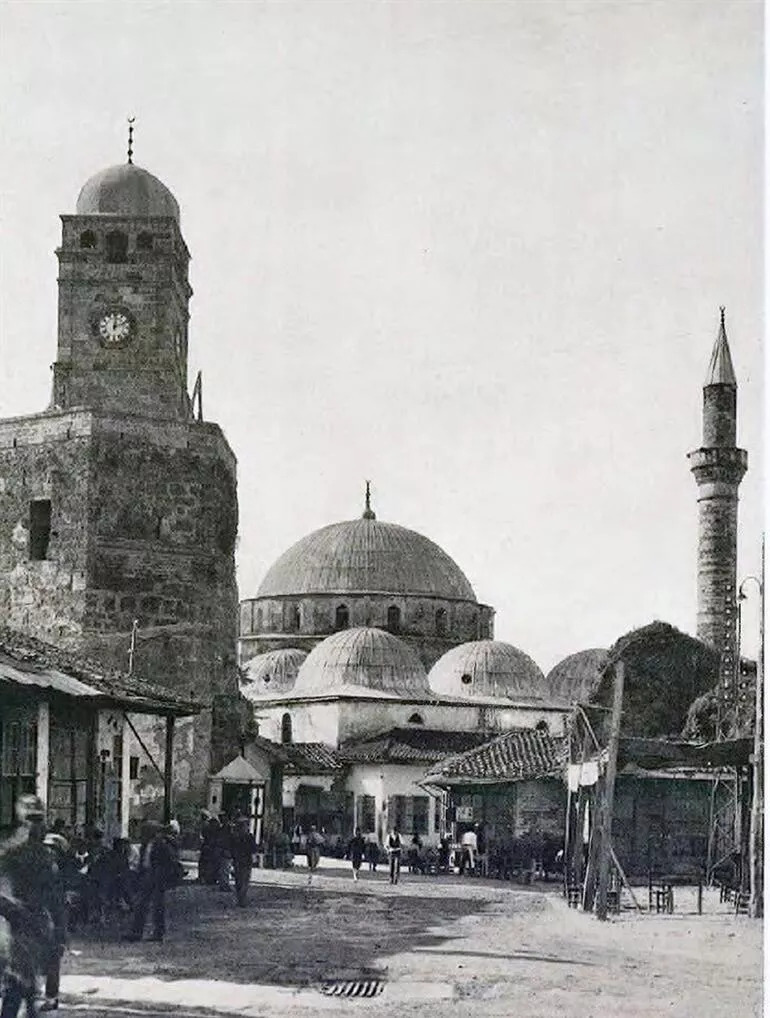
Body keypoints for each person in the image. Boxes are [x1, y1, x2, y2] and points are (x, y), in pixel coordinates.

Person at [0, 795, 64, 1017]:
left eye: (40, 822)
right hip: (21, 928)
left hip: (34, 926)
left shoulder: (43, 857)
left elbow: (55, 898)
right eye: (33, 822)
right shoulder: (12, 856)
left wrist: (60, 930)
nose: (39, 827)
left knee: (24, 985)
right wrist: (14, 911)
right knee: (21, 984)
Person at [125, 820, 176, 943]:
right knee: (140, 904)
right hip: (147, 875)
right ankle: (136, 932)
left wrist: (162, 876)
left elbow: (169, 862)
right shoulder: (145, 844)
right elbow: (143, 861)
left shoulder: (161, 845)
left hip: (157, 877)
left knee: (158, 906)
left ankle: (158, 932)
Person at [230, 817, 257, 907]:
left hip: (243, 861)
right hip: (241, 861)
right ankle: (241, 898)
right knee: (241, 880)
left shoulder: (239, 837)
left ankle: (241, 898)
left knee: (242, 880)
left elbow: (253, 849)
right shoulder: (242, 837)